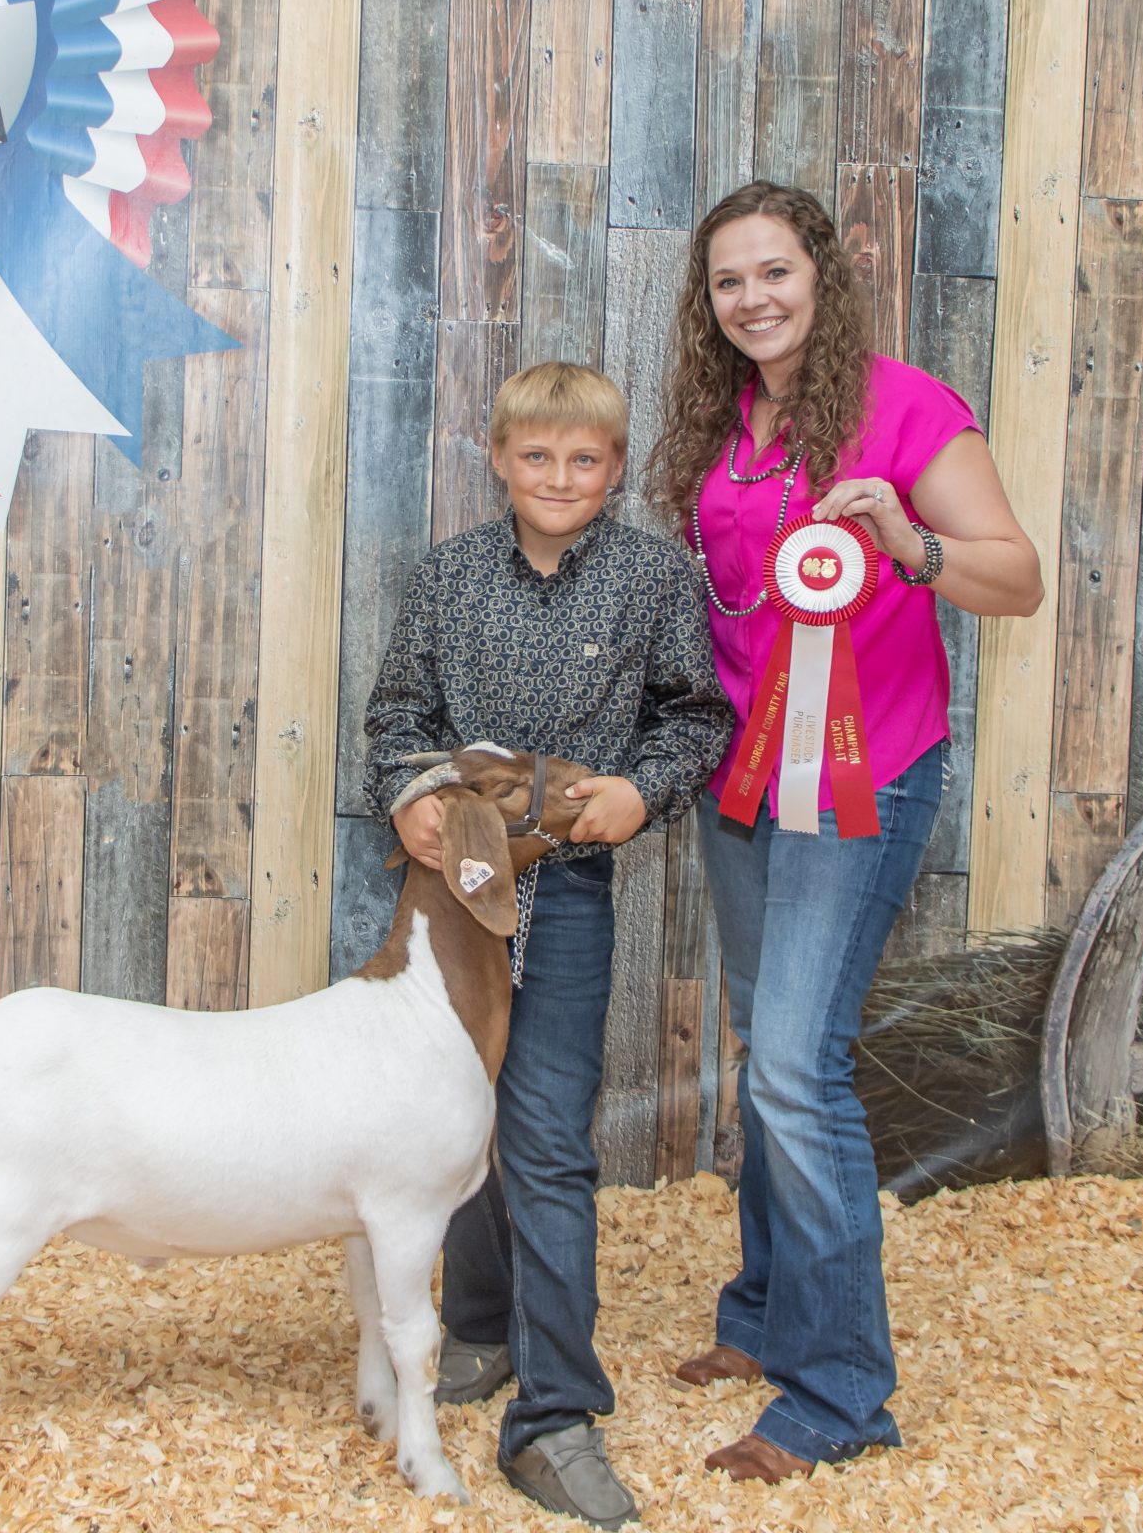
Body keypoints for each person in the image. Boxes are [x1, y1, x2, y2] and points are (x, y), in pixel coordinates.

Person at [646, 181, 1041, 1483]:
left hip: (867, 786)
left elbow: (1017, 578)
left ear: (822, 271)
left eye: (773, 272)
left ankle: (838, 1397)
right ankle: (764, 1319)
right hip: (747, 784)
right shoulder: (729, 417)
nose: (752, 298)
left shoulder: (906, 406)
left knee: (799, 1071)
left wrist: (915, 546)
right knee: (773, 1052)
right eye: (727, 282)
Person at [365, 361, 732, 1529]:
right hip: (451, 885)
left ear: (614, 467)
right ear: (499, 457)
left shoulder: (650, 576)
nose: (560, 477)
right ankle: (479, 1328)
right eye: (538, 456)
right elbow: (396, 715)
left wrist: (644, 785)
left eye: (584, 458)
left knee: (547, 1137)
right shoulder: (448, 576)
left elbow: (696, 713)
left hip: (564, 887)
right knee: (453, 1119)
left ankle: (558, 1410)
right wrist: (410, 791)